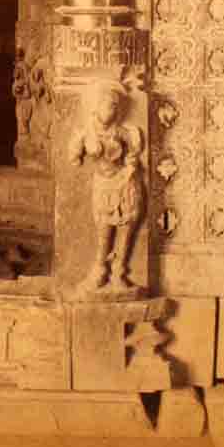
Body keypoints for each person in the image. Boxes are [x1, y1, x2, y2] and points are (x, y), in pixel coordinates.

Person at [69, 80, 144, 292]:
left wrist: (131, 164)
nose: (112, 108)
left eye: (115, 105)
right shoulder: (85, 133)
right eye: (108, 104)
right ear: (96, 106)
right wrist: (78, 145)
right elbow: (73, 158)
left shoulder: (124, 132)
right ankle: (99, 270)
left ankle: (119, 272)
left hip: (126, 183)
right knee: (103, 229)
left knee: (126, 228)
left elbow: (132, 155)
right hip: (103, 184)